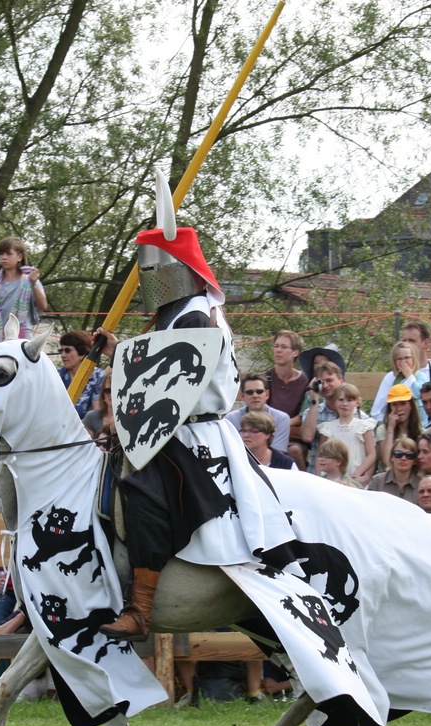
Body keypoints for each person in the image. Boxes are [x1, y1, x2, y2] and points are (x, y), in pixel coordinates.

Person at [100, 198, 299, 641]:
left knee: (143, 491)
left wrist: (120, 360)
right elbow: (153, 368)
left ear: (181, 270)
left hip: (192, 433)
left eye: (155, 270)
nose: (149, 280)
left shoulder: (197, 316)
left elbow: (173, 378)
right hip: (173, 427)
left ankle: (141, 607)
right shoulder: (175, 314)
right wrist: (118, 354)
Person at [0, 236, 47, 344]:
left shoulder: (30, 279)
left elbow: (43, 306)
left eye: (8, 254)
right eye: (1, 254)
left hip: (24, 337)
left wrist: (34, 284)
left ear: (19, 256)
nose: (4, 257)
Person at [316, 383, 376, 486]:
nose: (345, 404)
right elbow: (321, 455)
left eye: (349, 400)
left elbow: (371, 454)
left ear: (357, 403)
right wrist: (320, 477)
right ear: (335, 402)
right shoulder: (327, 428)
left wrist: (361, 475)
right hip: (332, 480)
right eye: (341, 400)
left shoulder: (364, 426)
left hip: (356, 478)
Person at [265, 330, 309, 468]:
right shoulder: (265, 379)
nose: (278, 350)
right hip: (267, 431)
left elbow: (304, 414)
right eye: (276, 346)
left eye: (284, 347)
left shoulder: (305, 381)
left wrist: (283, 423)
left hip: (293, 435)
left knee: (294, 451)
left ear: (295, 352)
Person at [299, 359, 349, 471]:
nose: (325, 386)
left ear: (341, 381)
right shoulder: (312, 411)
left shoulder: (355, 413)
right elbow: (307, 437)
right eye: (321, 382)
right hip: (318, 474)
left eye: (330, 380)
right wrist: (314, 399)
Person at [226, 373, 290, 452]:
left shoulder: (281, 418)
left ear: (267, 394)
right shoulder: (231, 419)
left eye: (259, 391)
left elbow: (278, 452)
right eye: (249, 392)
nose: (255, 395)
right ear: (242, 396)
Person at [369, 340, 429, 422]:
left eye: (407, 357)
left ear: (413, 359)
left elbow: (418, 394)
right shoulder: (391, 378)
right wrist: (387, 423)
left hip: (418, 425)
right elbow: (377, 410)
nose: (403, 361)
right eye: (399, 359)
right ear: (395, 362)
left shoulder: (420, 376)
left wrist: (409, 376)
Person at [57, 330, 106, 419]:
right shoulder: (57, 375)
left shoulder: (97, 376)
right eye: (61, 350)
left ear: (82, 353)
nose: (63, 355)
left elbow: (97, 412)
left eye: (67, 350)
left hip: (87, 429)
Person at [374, 384, 422, 469]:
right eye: (394, 404)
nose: (399, 409)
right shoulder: (383, 429)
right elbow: (386, 460)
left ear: (411, 406)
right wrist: (390, 428)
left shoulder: (421, 432)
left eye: (403, 404)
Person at [366, 435, 420, 503]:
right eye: (398, 454)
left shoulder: (421, 484)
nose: (403, 458)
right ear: (392, 457)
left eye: (409, 455)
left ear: (415, 460)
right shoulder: (377, 481)